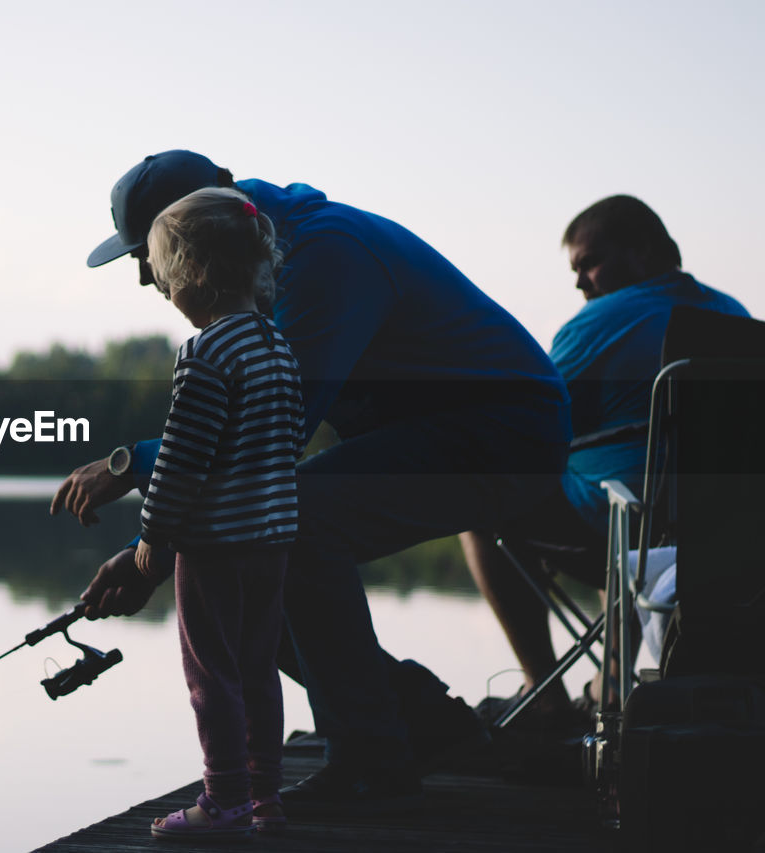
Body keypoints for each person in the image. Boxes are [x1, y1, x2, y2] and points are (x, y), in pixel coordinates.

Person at [51, 150, 572, 816]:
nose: (147, 275)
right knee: (272, 530)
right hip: (451, 435)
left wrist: (138, 488)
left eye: (149, 252)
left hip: (506, 438)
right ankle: (419, 723)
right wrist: (158, 547)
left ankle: (372, 760)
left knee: (293, 527)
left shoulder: (325, 261)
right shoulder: (271, 263)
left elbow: (262, 436)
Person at [460, 195, 750, 725]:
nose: (580, 283)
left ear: (640, 251)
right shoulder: (734, 316)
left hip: (623, 526)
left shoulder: (597, 323)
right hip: (713, 538)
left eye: (587, 263)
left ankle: (543, 695)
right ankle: (608, 686)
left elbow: (527, 418)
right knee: (622, 498)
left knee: (482, 507)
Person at [134, 187, 306, 839]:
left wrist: (154, 535)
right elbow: (286, 446)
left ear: (193, 277)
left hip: (213, 544)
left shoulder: (206, 355)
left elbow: (183, 459)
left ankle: (224, 800)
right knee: (258, 668)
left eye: (162, 275)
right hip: (272, 539)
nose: (161, 289)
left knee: (212, 674)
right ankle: (267, 797)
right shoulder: (278, 350)